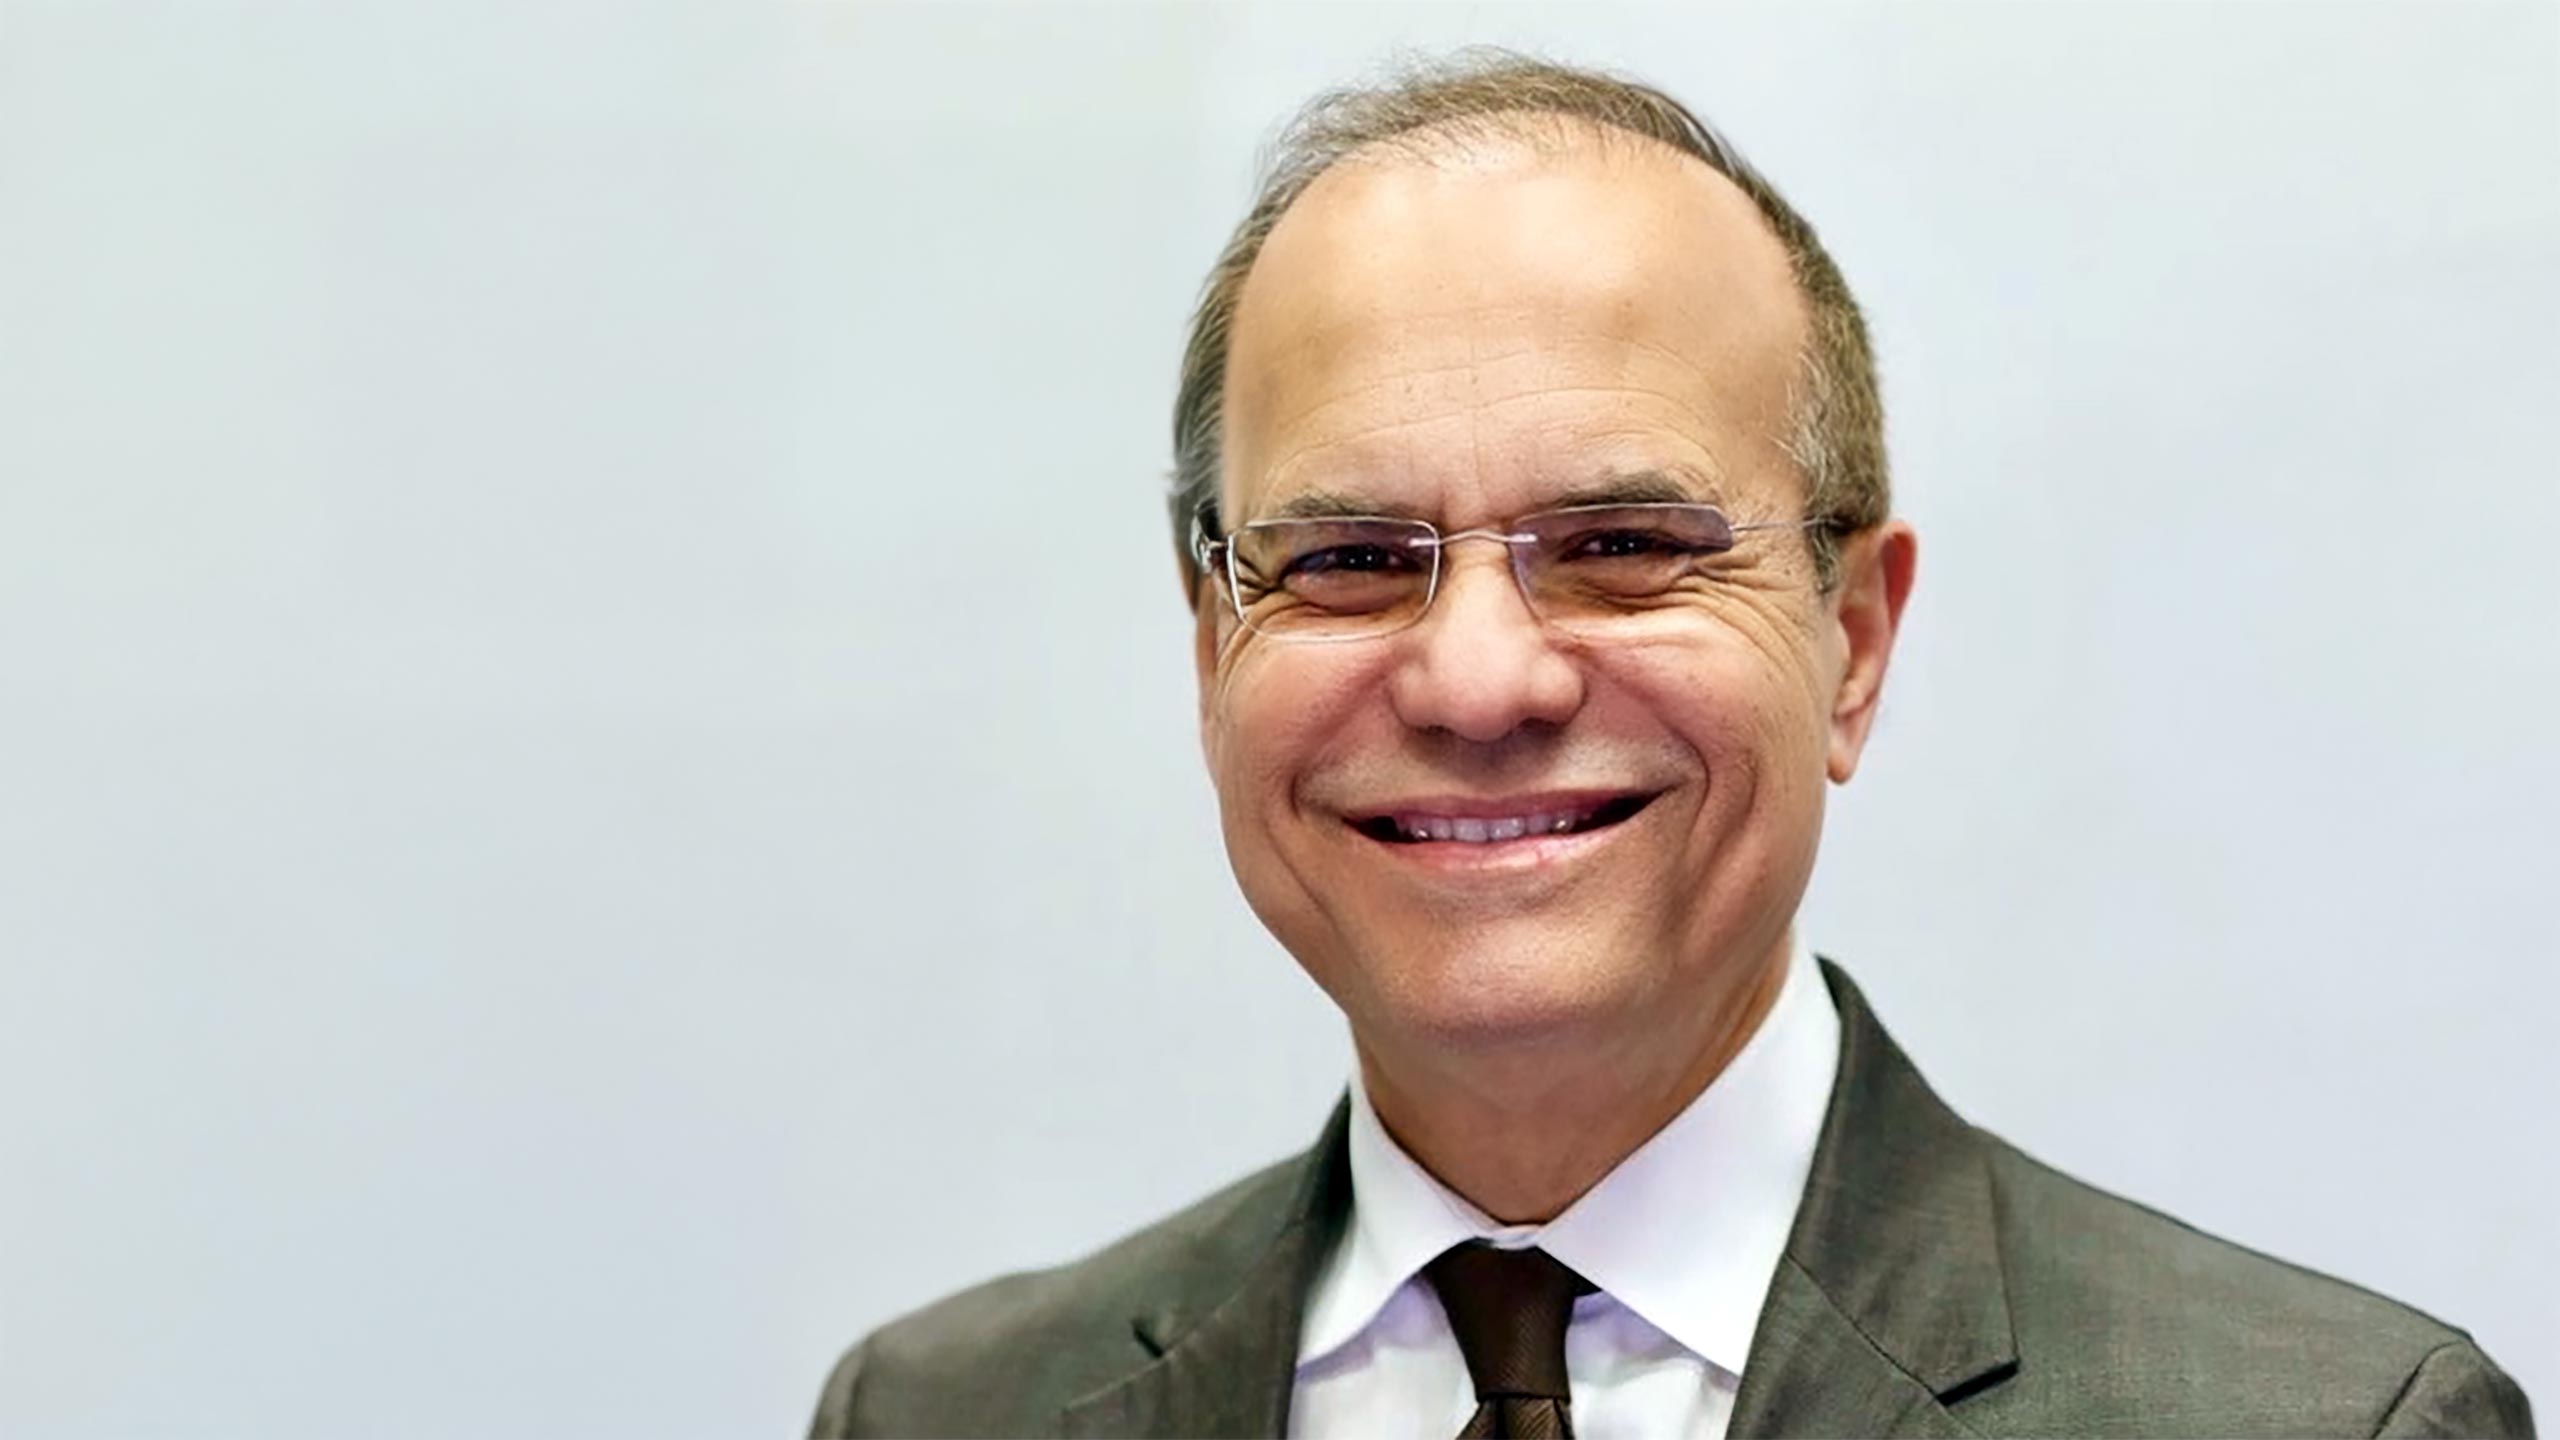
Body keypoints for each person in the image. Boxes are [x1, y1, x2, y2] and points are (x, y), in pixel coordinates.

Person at [808, 52, 2533, 1439]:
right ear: (1212, 653)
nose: (1478, 682)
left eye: (1624, 547)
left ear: (1850, 642)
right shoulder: (947, 1413)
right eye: (1344, 562)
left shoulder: (2317, 1422)